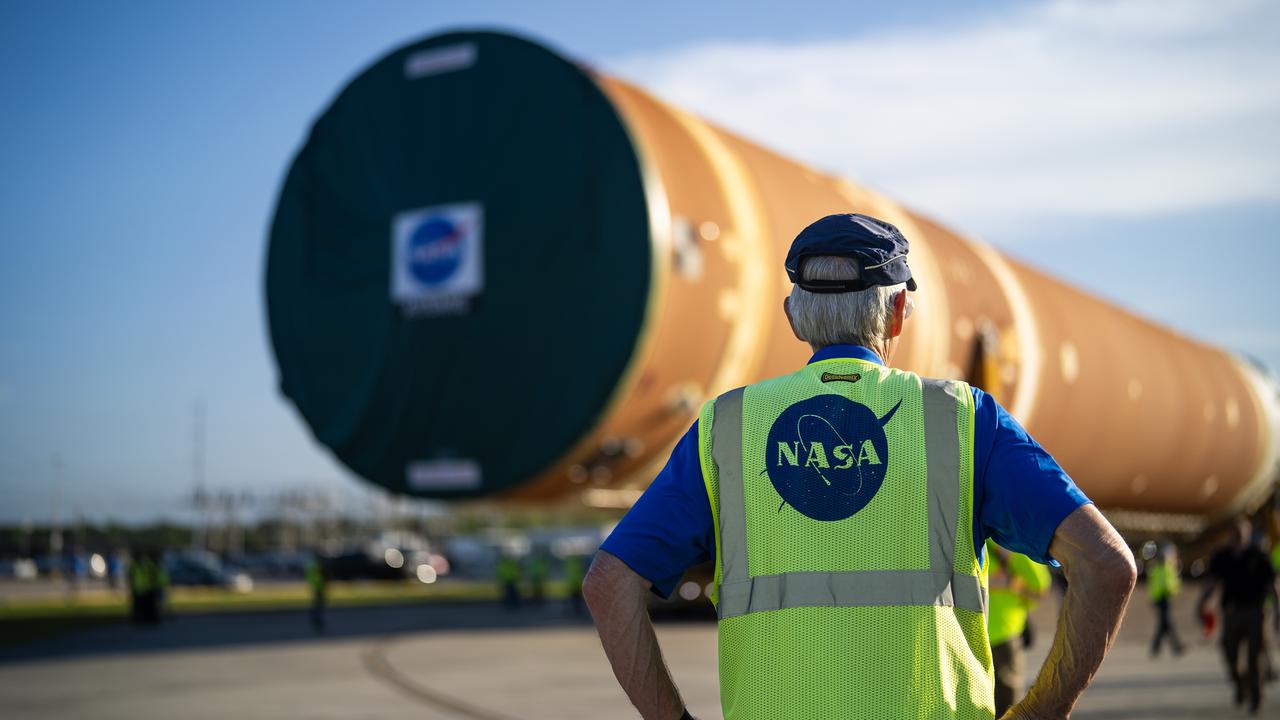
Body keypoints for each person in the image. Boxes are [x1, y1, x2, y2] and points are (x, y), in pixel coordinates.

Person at [583, 213, 1137, 720]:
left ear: (793, 316)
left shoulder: (725, 427)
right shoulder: (964, 421)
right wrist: (1040, 712)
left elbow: (610, 584)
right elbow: (1106, 565)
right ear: (898, 313)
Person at [1197, 517, 1279, 715]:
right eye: (1235, 532)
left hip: (1256, 613)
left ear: (1248, 534)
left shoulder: (1258, 555)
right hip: (1232, 613)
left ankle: (1256, 699)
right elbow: (1212, 582)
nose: (1239, 536)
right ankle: (1241, 683)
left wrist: (1277, 610)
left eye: (1242, 532)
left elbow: (1271, 585)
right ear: (1231, 535)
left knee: (1254, 656)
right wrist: (1201, 603)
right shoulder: (1223, 557)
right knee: (1229, 653)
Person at [986, 540, 1052, 717]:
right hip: (992, 635)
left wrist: (1010, 584)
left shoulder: (1006, 545)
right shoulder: (1006, 543)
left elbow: (1040, 587)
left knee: (1003, 702)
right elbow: (1040, 586)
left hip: (996, 635)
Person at [1147, 543, 1185, 658]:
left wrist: (1173, 591)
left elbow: (1174, 583)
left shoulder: (1168, 569)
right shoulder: (1156, 570)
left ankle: (1158, 647)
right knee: (1166, 623)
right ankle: (1175, 646)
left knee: (1165, 624)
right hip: (1160, 599)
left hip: (1167, 598)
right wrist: (1153, 599)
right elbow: (1153, 586)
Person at [306, 553, 328, 632]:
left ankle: (316, 616)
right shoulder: (316, 564)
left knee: (318, 602)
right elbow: (319, 575)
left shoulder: (312, 564)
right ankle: (317, 617)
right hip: (318, 586)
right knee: (319, 603)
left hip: (317, 585)